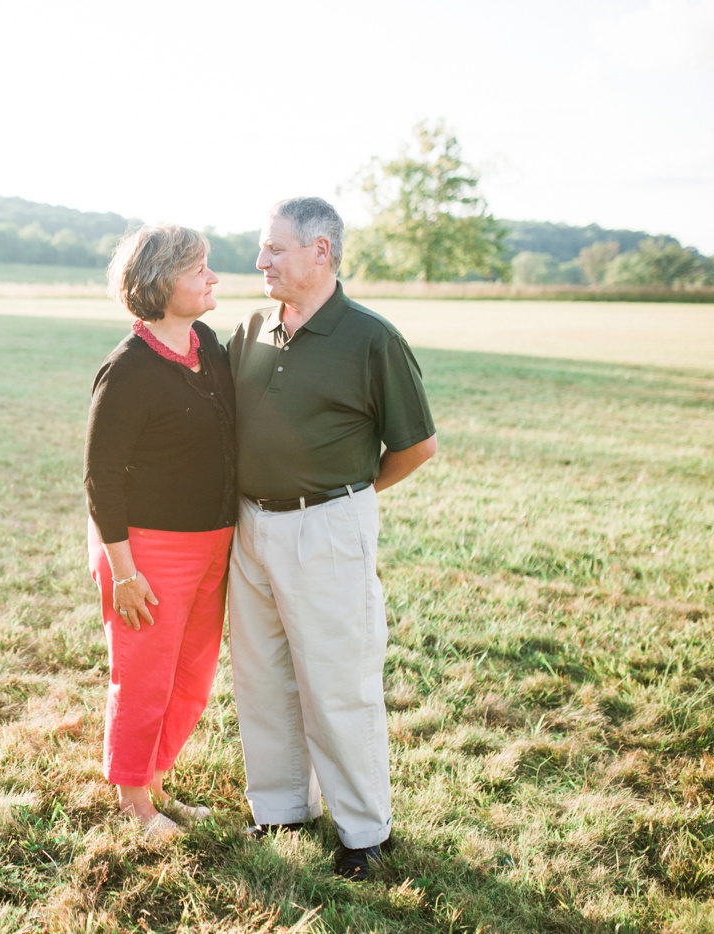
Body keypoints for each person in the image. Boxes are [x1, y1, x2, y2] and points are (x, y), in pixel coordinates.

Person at [227, 197, 437, 880]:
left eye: (275, 249)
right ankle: (282, 807)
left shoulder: (372, 338)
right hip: (250, 525)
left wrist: (345, 497)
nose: (261, 262)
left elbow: (416, 447)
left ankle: (363, 831)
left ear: (321, 251)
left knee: (337, 681)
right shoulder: (253, 325)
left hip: (327, 525)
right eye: (261, 249)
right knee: (262, 674)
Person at [84, 225, 237, 838]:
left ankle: (154, 779)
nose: (213, 278)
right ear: (158, 281)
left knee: (191, 679)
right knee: (145, 677)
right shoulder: (127, 370)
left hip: (215, 544)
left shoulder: (208, 344)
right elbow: (100, 478)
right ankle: (132, 802)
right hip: (147, 552)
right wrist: (124, 572)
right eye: (198, 268)